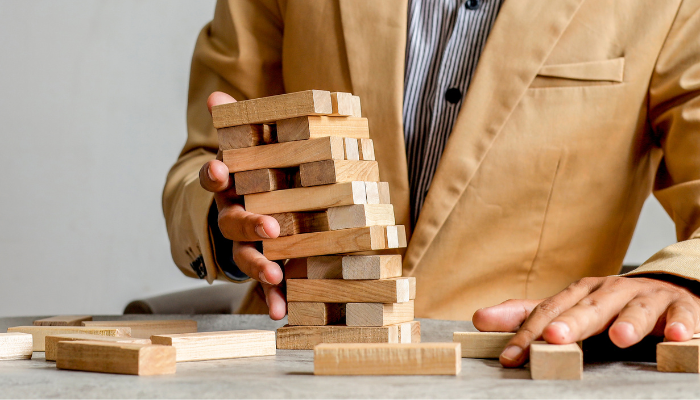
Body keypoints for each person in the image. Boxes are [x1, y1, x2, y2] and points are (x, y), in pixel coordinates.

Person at [163, 0, 700, 367]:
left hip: (508, 367)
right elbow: (202, 163)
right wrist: (225, 227)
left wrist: (683, 282)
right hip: (293, 362)